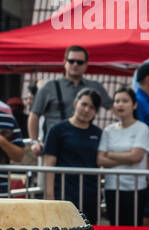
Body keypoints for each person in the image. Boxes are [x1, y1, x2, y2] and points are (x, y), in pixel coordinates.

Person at [98, 87, 149, 230]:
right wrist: (122, 156)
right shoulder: (109, 130)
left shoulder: (141, 128)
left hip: (135, 188)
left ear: (134, 105)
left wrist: (112, 155)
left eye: (125, 101)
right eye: (117, 101)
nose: (120, 104)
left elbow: (136, 157)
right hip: (113, 188)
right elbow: (100, 159)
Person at [28, 46, 110, 148]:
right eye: (71, 61)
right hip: (55, 144)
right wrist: (35, 142)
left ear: (86, 65)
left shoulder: (95, 87)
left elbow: (114, 108)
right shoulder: (50, 86)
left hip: (84, 144)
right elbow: (34, 115)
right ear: (64, 62)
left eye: (80, 62)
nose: (75, 65)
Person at [41, 88, 103, 218]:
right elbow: (49, 163)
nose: (87, 110)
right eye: (84, 104)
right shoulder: (57, 130)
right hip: (64, 192)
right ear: (75, 103)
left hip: (90, 194)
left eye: (92, 107)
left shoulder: (98, 133)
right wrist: (50, 195)